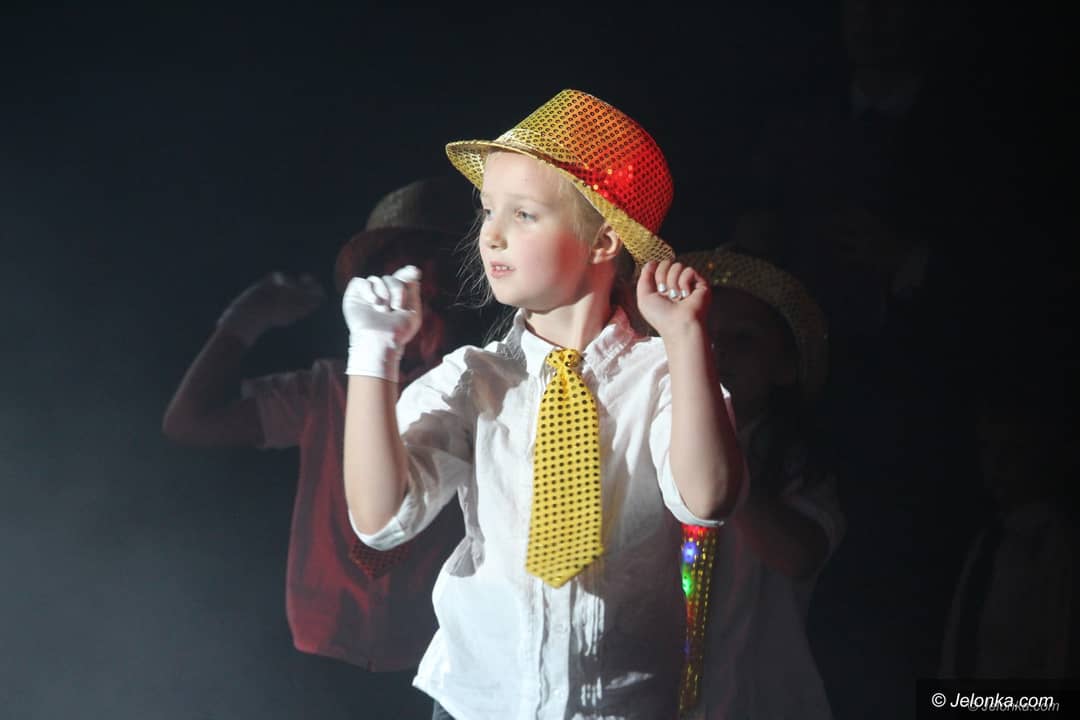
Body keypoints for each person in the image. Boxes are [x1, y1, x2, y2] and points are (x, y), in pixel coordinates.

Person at [339, 89, 746, 719]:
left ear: (603, 240)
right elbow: (380, 519)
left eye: (524, 214)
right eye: (487, 211)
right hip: (478, 704)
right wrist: (373, 354)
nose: (492, 234)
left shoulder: (662, 376)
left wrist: (686, 338)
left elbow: (708, 500)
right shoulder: (472, 379)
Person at [161, 177, 477, 715]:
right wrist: (244, 320)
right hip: (322, 648)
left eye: (438, 290)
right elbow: (187, 422)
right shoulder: (326, 390)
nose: (422, 304)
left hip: (430, 655)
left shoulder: (481, 392)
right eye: (405, 279)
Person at [677, 245, 843, 719]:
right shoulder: (656, 439)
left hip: (756, 699)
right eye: (703, 335)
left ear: (785, 366)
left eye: (743, 339)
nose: (717, 352)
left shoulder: (797, 464)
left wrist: (718, 461)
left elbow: (798, 555)